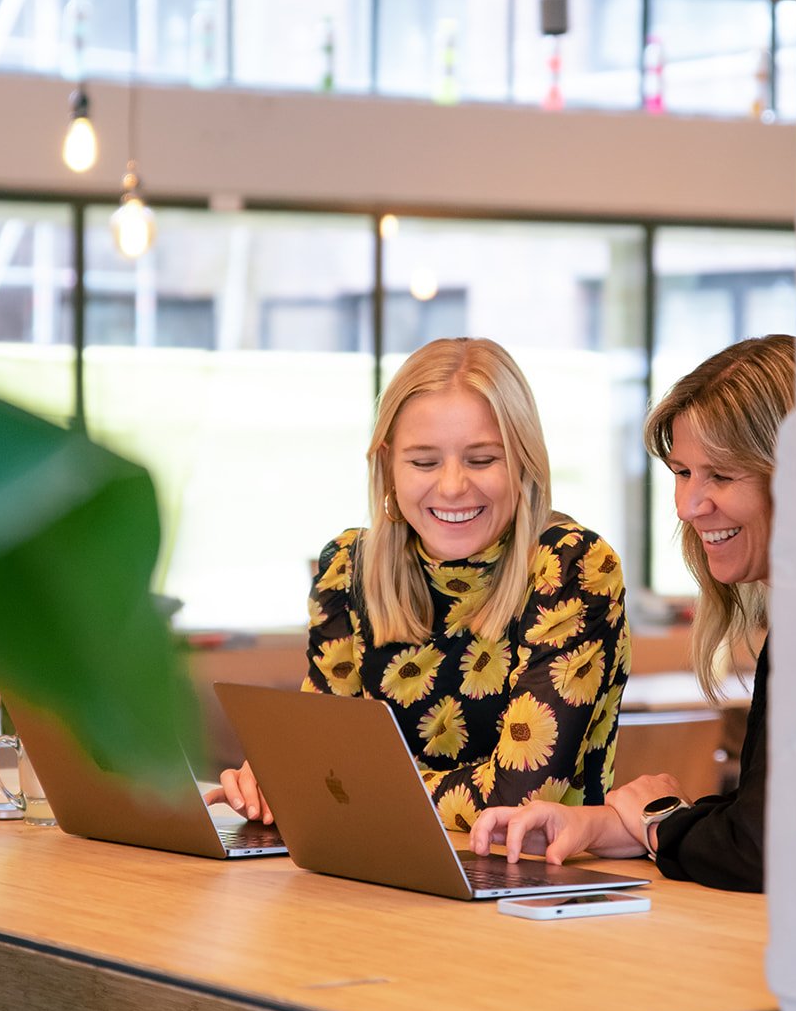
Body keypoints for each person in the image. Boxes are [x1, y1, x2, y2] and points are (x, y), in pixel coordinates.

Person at [211, 336, 630, 830]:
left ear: (524, 462)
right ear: (388, 465)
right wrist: (277, 779)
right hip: (376, 871)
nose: (452, 486)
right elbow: (315, 765)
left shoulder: (572, 566)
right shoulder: (348, 567)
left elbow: (517, 802)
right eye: (424, 462)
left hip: (525, 881)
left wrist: (341, 786)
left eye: (482, 459)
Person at [471, 332, 796, 893]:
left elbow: (766, 848)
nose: (689, 506)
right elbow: (769, 821)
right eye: (682, 472)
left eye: (721, 474)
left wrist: (661, 821)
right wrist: (603, 825)